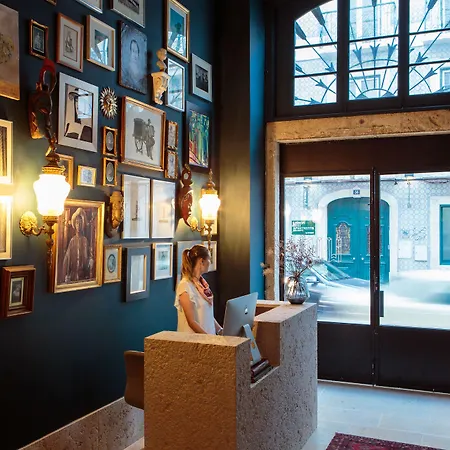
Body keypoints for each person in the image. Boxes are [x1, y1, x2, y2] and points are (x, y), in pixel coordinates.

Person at [174, 245, 222, 335]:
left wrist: (220, 330)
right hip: (193, 341)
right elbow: (191, 322)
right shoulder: (185, 286)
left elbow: (207, 315)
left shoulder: (202, 284)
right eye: (209, 259)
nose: (210, 262)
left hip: (208, 339)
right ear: (202, 261)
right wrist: (208, 338)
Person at [62, 208, 93, 283]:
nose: (78, 225)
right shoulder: (72, 241)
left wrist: (90, 262)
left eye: (80, 223)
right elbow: (67, 258)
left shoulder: (85, 241)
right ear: (74, 225)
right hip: (73, 276)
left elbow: (90, 256)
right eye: (77, 223)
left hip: (83, 276)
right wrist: (66, 274)